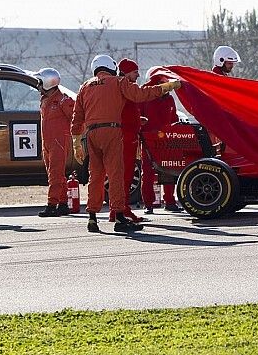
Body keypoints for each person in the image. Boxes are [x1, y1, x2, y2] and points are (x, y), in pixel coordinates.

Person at [71, 54, 181, 234]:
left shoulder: (85, 86)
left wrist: (76, 142)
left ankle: (92, 217)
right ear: (111, 67)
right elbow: (141, 95)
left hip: (91, 134)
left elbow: (77, 116)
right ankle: (120, 216)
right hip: (112, 131)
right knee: (116, 174)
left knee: (96, 176)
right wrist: (166, 87)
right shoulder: (118, 82)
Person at [139, 67, 182, 214]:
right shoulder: (145, 96)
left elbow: (174, 118)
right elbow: (139, 117)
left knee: (169, 169)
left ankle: (169, 201)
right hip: (149, 139)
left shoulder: (169, 98)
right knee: (148, 171)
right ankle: (149, 203)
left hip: (166, 139)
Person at [34, 68, 75, 217]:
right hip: (48, 142)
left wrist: (74, 136)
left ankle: (52, 205)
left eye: (40, 82)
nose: (38, 85)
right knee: (56, 173)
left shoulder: (64, 100)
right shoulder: (45, 99)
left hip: (59, 142)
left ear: (48, 82)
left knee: (55, 174)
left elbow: (75, 118)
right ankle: (63, 203)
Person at [113, 59, 144, 223]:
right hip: (125, 137)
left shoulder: (123, 87)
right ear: (125, 72)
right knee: (125, 175)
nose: (138, 74)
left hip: (128, 134)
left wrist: (138, 120)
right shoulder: (125, 87)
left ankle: (117, 210)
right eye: (134, 72)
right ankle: (122, 209)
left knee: (123, 174)